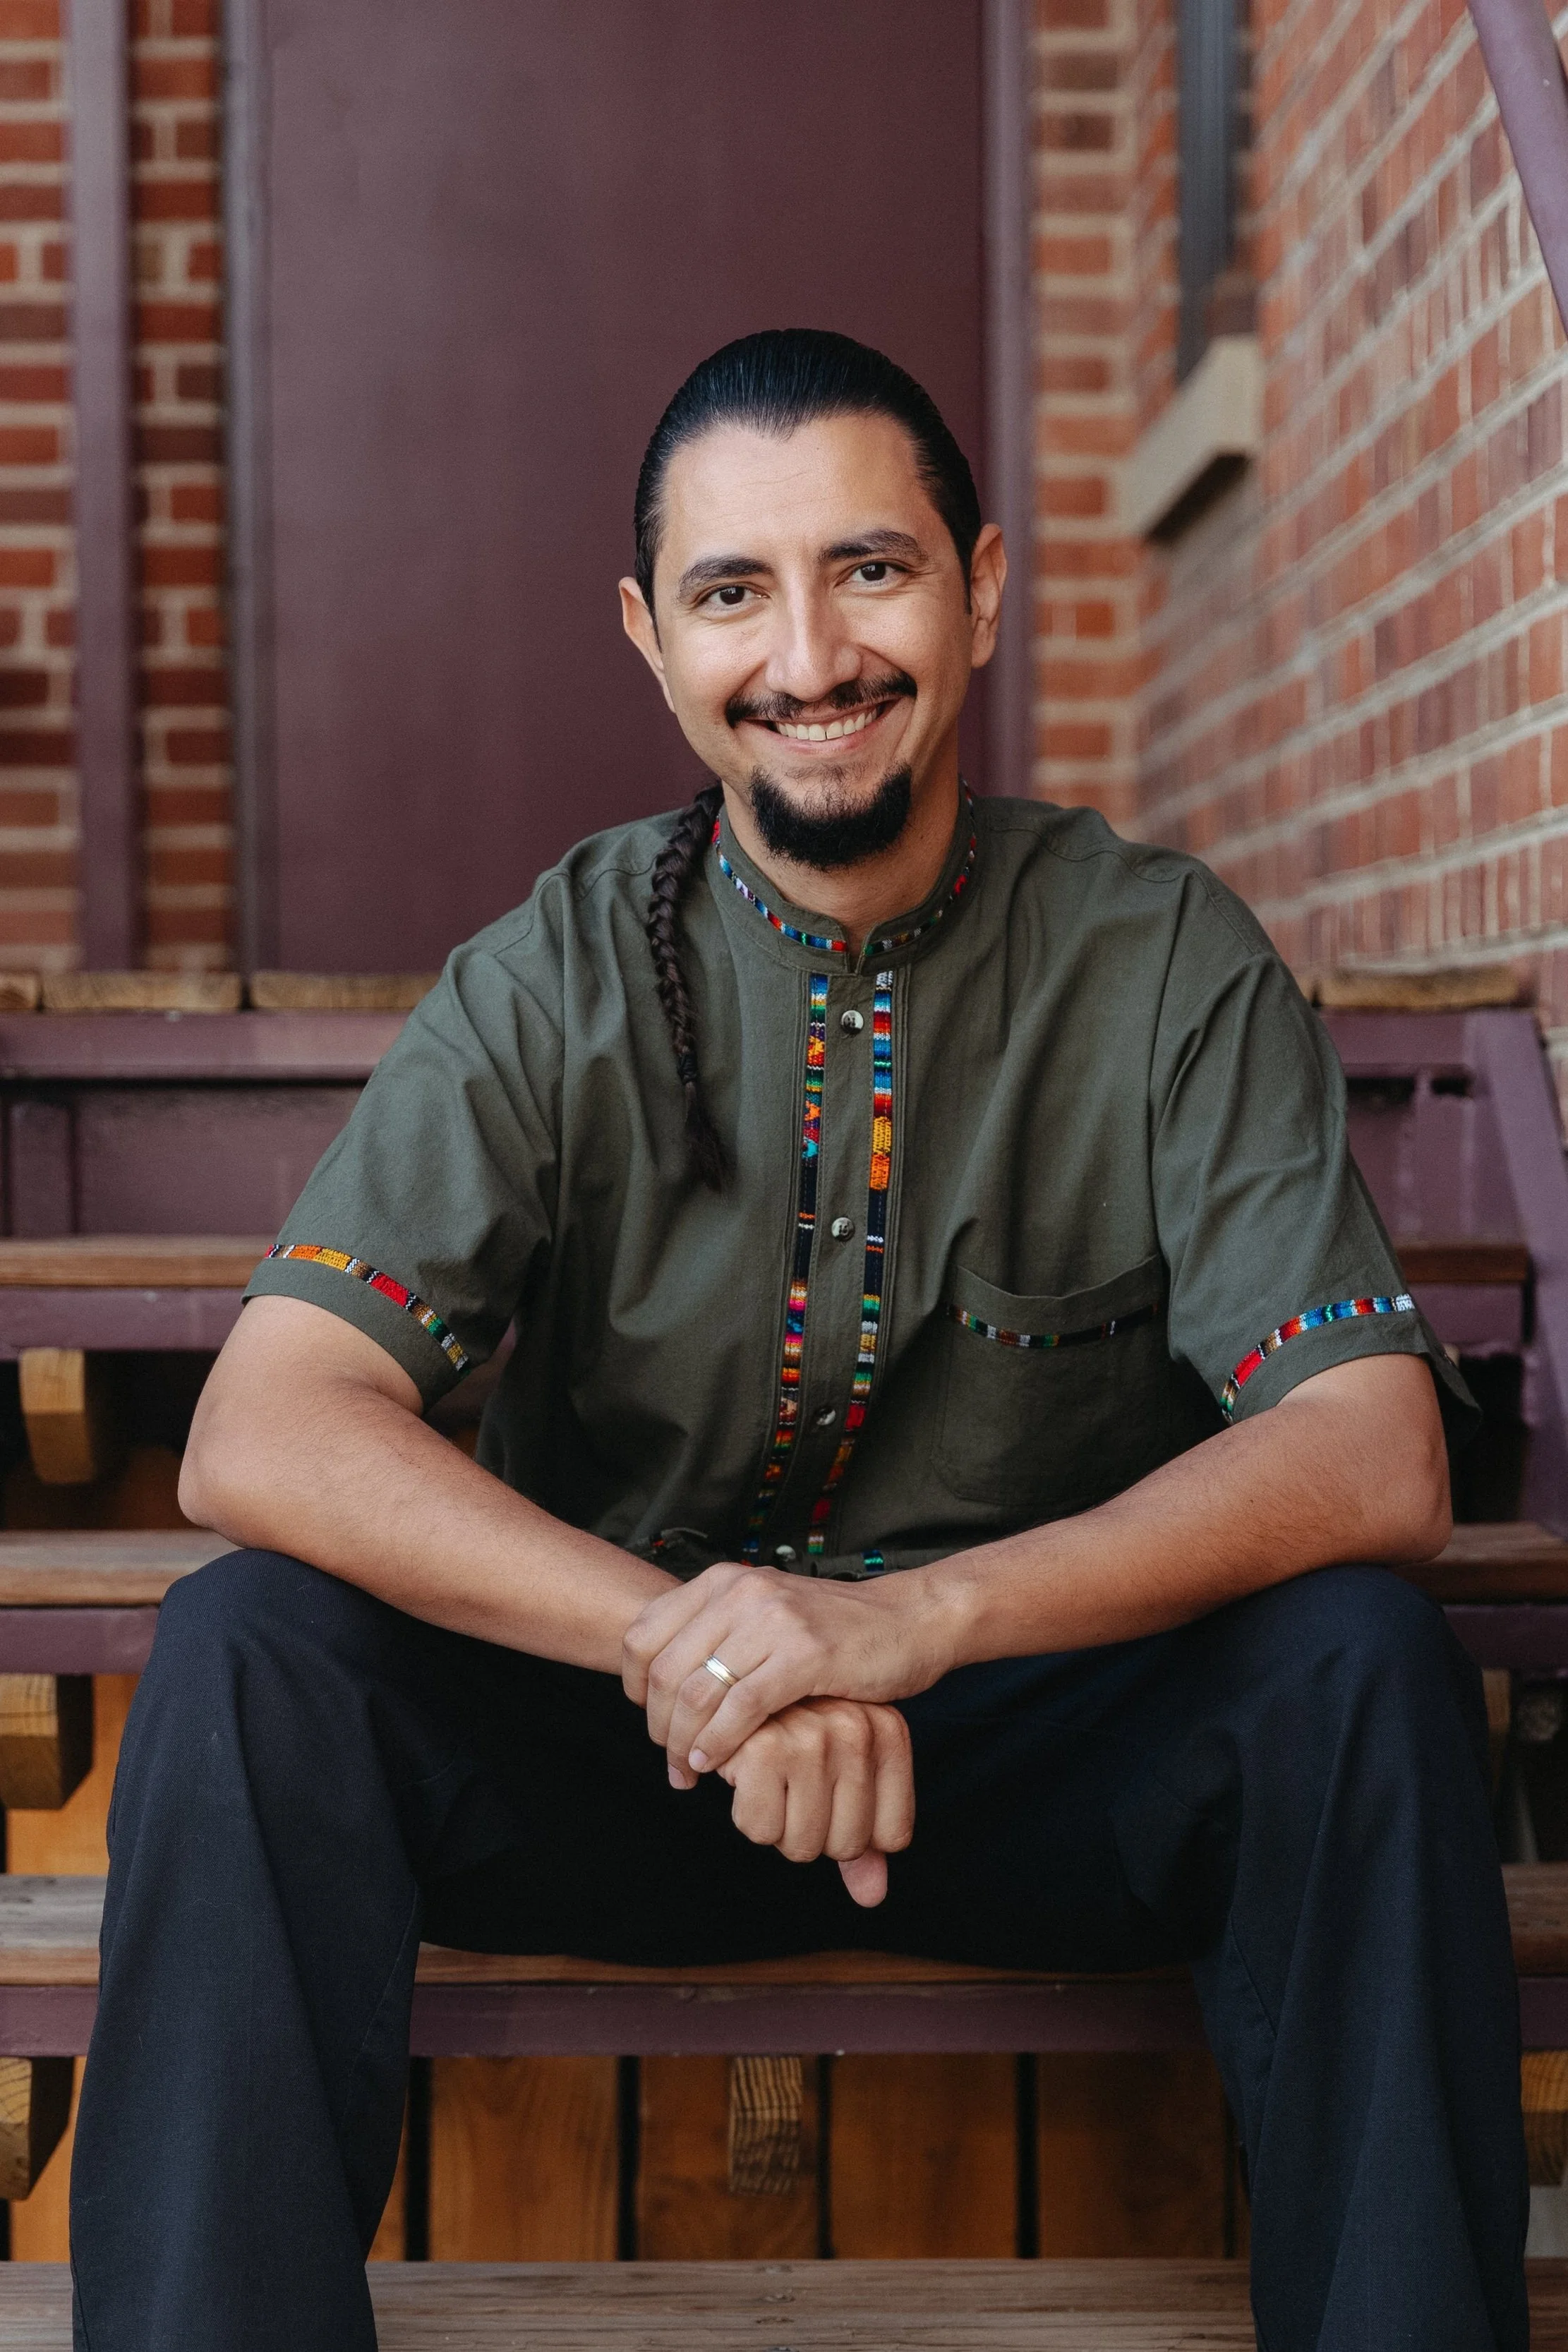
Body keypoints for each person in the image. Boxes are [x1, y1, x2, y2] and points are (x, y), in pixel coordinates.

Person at [71, 329, 1525, 2351]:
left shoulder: (1158, 954)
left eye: (871, 568)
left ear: (982, 587)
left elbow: (1373, 1451)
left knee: (1363, 1660)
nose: (809, 651)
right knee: (243, 1648)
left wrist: (912, 1627)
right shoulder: (554, 974)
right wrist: (706, 1648)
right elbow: (266, 1426)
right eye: (732, 591)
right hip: (621, 1745)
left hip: (1033, 1748)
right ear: (652, 643)